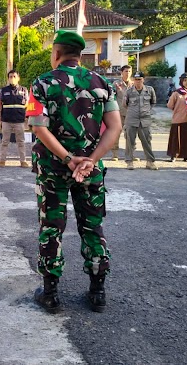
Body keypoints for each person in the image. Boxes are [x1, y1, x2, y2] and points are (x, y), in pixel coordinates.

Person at [26, 30, 121, 314]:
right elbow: (114, 128)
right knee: (92, 227)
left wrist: (68, 159)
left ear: (56, 52)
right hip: (90, 171)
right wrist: (89, 160)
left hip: (54, 169)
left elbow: (39, 127)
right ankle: (97, 291)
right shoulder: (102, 82)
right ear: (79, 55)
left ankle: (51, 293)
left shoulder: (43, 82)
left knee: (51, 228)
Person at [123, 71, 158, 170]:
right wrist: (133, 112)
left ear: (143, 80)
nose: (138, 81)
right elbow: (124, 104)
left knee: (147, 141)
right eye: (136, 79)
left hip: (145, 119)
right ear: (133, 80)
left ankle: (150, 162)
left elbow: (153, 102)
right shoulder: (129, 91)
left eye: (140, 79)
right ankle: (129, 162)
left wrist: (146, 111)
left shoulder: (149, 90)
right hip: (131, 119)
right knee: (130, 141)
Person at [0, 69, 29, 168]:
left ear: (18, 78)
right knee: (5, 141)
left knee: (21, 142)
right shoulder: (3, 90)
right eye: (10, 77)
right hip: (6, 120)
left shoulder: (24, 90)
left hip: (19, 120)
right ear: (8, 78)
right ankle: (2, 161)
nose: (12, 78)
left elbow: (27, 103)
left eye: (14, 76)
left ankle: (23, 161)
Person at [166, 72, 187, 162]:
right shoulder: (176, 93)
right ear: (181, 81)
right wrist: (178, 110)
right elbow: (170, 105)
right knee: (176, 138)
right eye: (185, 80)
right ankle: (174, 155)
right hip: (178, 119)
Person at [110, 65, 132, 160]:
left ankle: (130, 154)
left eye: (130, 71)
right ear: (122, 72)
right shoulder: (116, 84)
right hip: (119, 112)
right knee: (116, 133)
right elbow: (111, 97)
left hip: (131, 113)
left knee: (130, 134)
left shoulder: (134, 84)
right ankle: (115, 154)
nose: (128, 73)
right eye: (126, 71)